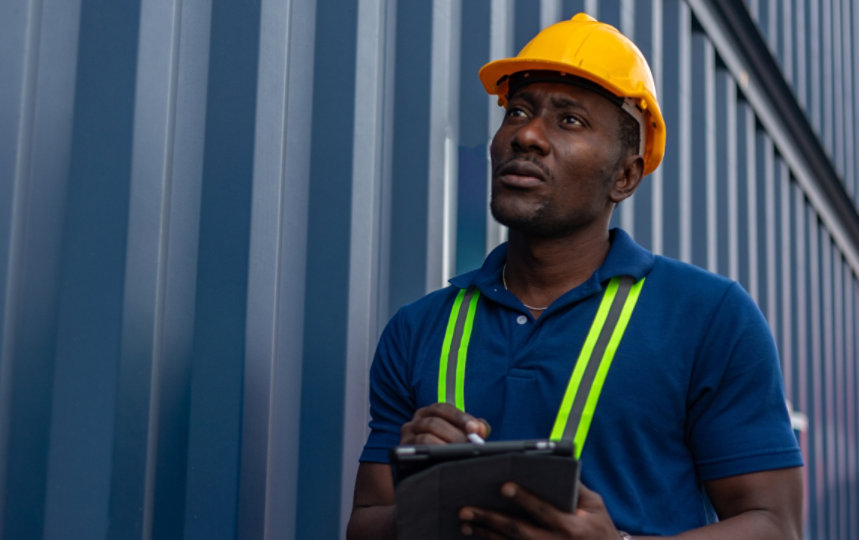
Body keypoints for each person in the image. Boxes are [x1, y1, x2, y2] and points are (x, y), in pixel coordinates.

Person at [347, 13, 803, 540]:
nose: (528, 136)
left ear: (626, 175)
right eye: (517, 111)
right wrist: (426, 496)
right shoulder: (418, 328)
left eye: (569, 121)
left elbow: (776, 526)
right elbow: (363, 526)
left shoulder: (708, 316)